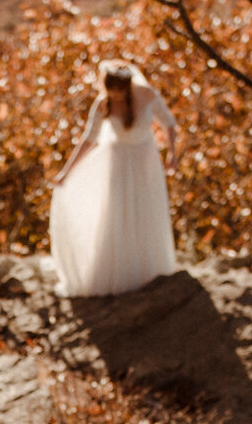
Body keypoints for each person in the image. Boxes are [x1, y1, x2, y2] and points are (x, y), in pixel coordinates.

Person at [48, 59, 182, 297]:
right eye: (113, 95)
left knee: (145, 211)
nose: (116, 99)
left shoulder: (147, 94)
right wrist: (66, 171)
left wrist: (172, 153)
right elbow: (89, 139)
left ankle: (149, 271)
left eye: (120, 95)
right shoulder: (102, 103)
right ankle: (119, 273)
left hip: (145, 162)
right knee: (117, 214)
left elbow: (169, 123)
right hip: (117, 164)